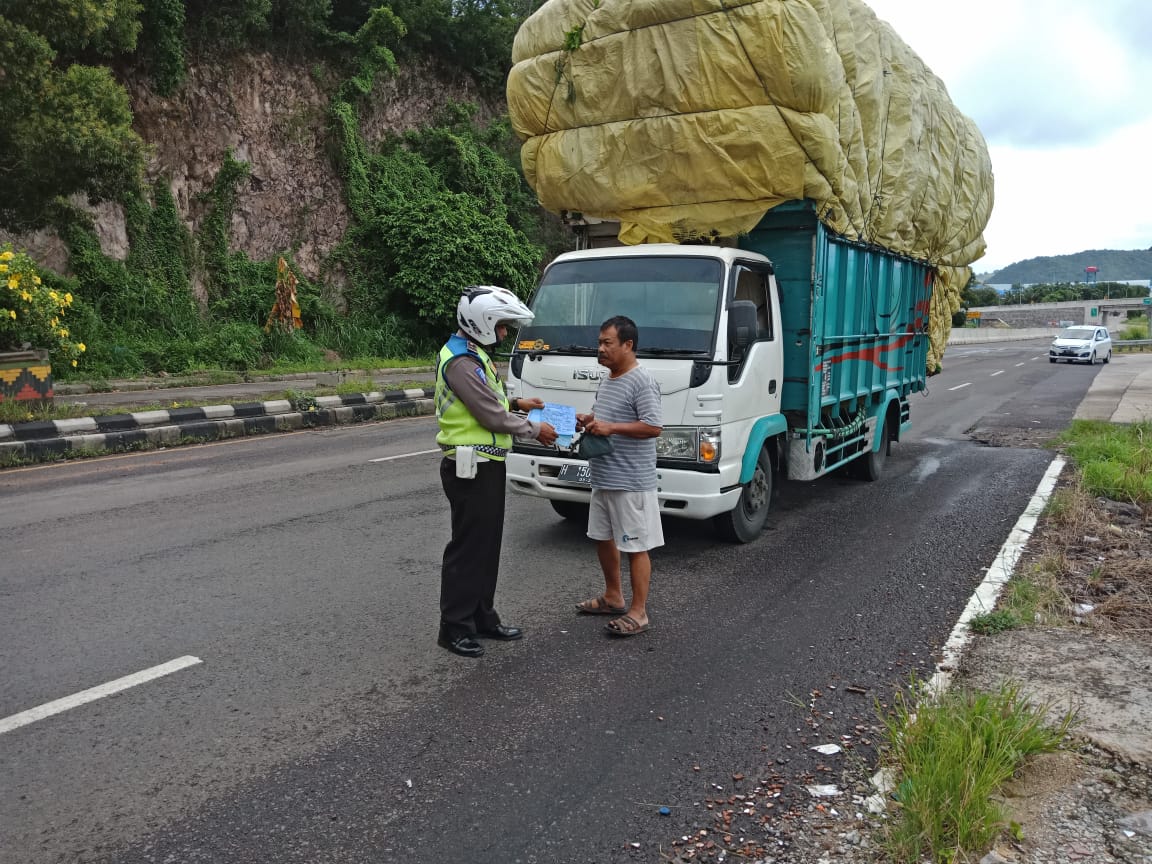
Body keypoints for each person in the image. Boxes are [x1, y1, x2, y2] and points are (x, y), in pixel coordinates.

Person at [435, 286, 558, 658]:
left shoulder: (473, 355)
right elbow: (490, 415)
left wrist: (520, 402)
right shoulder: (461, 362)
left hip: (487, 464)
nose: (504, 333)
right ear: (483, 323)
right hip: (469, 466)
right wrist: (536, 429)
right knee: (468, 549)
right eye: (502, 326)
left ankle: (482, 616)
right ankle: (454, 627)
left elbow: (493, 399)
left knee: (486, 547)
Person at [574, 315, 664, 637]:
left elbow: (653, 426)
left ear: (628, 344)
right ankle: (614, 596)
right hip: (604, 476)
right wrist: (590, 419)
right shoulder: (609, 379)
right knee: (602, 537)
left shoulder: (642, 380)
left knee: (636, 546)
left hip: (631, 481)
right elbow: (607, 416)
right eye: (599, 343)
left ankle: (639, 613)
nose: (600, 349)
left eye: (607, 343)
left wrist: (611, 427)